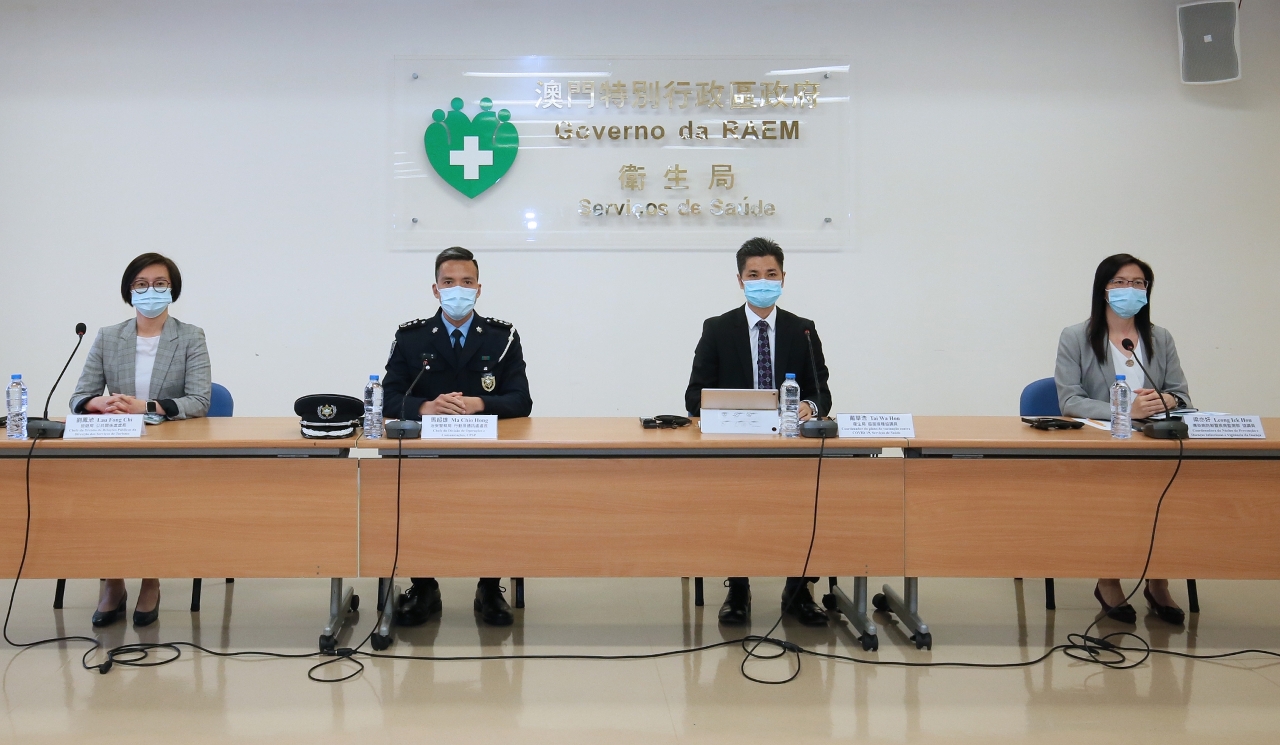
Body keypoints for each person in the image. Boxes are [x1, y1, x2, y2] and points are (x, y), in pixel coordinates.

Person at [684, 237, 833, 627]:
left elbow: (821, 391)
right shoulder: (718, 329)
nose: (762, 281)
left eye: (771, 274)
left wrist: (809, 405)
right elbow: (694, 395)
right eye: (753, 275)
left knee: (804, 505)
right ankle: (738, 588)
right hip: (736, 447)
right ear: (740, 280)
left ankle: (798, 590)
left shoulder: (802, 330)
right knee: (736, 507)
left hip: (791, 446)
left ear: (783, 278)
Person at [382, 246, 533, 627]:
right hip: (425, 454)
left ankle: (489, 588)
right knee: (416, 508)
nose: (458, 290)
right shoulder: (411, 338)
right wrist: (425, 406)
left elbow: (521, 400)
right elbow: (388, 397)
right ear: (436, 290)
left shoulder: (502, 337)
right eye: (448, 282)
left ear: (479, 289)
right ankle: (423, 588)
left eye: (467, 282)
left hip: (485, 451)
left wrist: (478, 403)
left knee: (493, 510)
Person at [68, 253, 212, 628]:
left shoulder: (190, 336)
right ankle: (113, 582)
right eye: (141, 284)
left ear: (172, 290)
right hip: (117, 443)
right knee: (100, 498)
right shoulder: (108, 336)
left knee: (152, 499)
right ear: (129, 291)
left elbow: (199, 401)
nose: (151, 291)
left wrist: (145, 406)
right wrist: (96, 402)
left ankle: (151, 581)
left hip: (168, 448)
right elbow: (79, 396)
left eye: (160, 284)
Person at [1054, 253, 1191, 626]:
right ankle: (1108, 580)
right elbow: (1070, 401)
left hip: (1156, 444)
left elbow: (1181, 395)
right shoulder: (1076, 337)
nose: (1129, 289)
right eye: (1120, 282)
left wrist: (1168, 400)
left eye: (1138, 283)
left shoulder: (1160, 338)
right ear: (1103, 289)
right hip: (1101, 445)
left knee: (1170, 498)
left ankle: (1158, 583)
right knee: (1110, 502)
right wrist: (1125, 411)